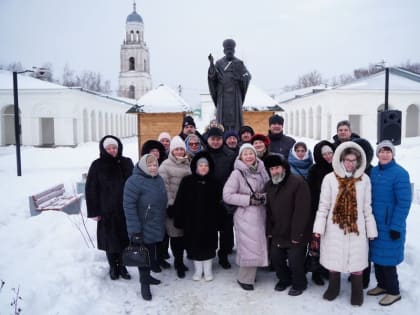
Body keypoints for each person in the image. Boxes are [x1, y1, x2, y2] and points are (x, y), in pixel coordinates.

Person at [313, 141, 378, 306]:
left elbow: (367, 207)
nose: (350, 163)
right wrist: (318, 229)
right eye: (347, 160)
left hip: (357, 227)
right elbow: (324, 205)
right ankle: (333, 288)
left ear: (359, 161)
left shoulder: (365, 180)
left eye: (353, 160)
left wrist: (371, 231)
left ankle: (357, 291)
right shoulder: (329, 179)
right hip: (334, 226)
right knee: (333, 256)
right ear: (341, 160)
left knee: (357, 258)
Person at [368, 140, 412, 306]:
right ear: (377, 154)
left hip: (391, 225)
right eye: (381, 151)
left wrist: (396, 226)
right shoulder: (374, 172)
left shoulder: (400, 173)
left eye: (388, 151)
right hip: (376, 223)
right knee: (377, 258)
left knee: (388, 261)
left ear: (393, 154)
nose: (384, 154)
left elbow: (404, 203)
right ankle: (382, 285)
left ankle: (394, 291)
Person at [85, 135, 134, 281]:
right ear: (103, 149)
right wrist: (94, 211)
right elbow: (91, 189)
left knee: (124, 240)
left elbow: (134, 184)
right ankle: (113, 267)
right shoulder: (97, 165)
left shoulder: (126, 162)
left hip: (125, 209)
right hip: (107, 211)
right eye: (109, 148)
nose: (112, 150)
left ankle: (123, 266)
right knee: (110, 241)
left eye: (114, 148)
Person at [223, 144, 270, 291]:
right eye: (245, 154)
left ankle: (252, 272)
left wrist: (264, 197)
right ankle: (245, 278)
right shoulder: (237, 173)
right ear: (240, 157)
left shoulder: (262, 171)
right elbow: (227, 196)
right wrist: (248, 199)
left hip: (262, 214)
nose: (249, 156)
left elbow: (270, 188)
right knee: (249, 245)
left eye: (251, 153)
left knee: (257, 244)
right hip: (245, 216)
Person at [264, 155, 312, 296]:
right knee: (276, 258)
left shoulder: (297, 182)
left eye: (277, 168)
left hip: (296, 232)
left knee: (295, 261)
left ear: (284, 168)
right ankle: (284, 279)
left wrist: (298, 234)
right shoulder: (269, 185)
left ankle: (299, 283)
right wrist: (269, 230)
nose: (275, 171)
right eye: (272, 169)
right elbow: (268, 210)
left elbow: (302, 210)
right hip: (278, 231)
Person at [173, 152, 224, 281]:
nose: (203, 167)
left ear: (210, 167)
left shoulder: (215, 182)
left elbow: (220, 203)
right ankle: (198, 270)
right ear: (195, 167)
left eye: (205, 165)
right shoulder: (187, 181)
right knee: (194, 246)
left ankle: (207, 270)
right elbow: (180, 201)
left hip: (210, 222)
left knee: (208, 246)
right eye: (200, 165)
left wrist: (221, 220)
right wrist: (179, 218)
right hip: (192, 221)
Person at [123, 154, 167, 301]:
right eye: (150, 165)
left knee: (151, 253)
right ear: (143, 166)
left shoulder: (158, 179)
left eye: (155, 165)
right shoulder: (134, 182)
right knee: (143, 256)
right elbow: (129, 207)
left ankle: (148, 277)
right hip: (141, 226)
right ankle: (144, 284)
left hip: (155, 224)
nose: (153, 168)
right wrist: (135, 230)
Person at [158, 136, 191, 278]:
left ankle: (181, 261)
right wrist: (169, 204)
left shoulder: (187, 163)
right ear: (172, 151)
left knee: (183, 236)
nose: (179, 152)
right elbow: (163, 187)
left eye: (181, 149)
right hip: (173, 207)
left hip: (186, 207)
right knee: (176, 237)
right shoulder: (165, 165)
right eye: (176, 149)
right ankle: (178, 263)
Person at [205, 127, 236, 269]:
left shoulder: (230, 154)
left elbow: (234, 175)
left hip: (226, 197)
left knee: (226, 230)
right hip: (208, 197)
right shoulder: (202, 155)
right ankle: (209, 254)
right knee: (209, 229)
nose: (216, 142)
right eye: (213, 139)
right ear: (208, 140)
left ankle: (224, 255)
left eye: (218, 139)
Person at [306, 140, 335, 285]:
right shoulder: (314, 170)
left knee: (330, 243)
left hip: (334, 212)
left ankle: (328, 269)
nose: (328, 156)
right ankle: (316, 272)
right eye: (324, 154)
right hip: (318, 211)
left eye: (330, 153)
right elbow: (310, 192)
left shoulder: (338, 168)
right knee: (316, 244)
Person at [208, 39, 251, 131]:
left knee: (235, 118)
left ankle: (236, 135)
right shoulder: (219, 63)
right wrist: (211, 65)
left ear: (234, 51)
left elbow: (247, 76)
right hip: (222, 95)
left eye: (231, 50)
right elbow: (212, 77)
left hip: (235, 95)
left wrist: (241, 78)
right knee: (222, 118)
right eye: (227, 50)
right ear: (224, 51)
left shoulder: (239, 63)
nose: (229, 52)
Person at [140, 139, 170, 270]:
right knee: (151, 236)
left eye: (158, 151)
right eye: (153, 151)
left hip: (163, 205)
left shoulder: (165, 164)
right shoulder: (144, 167)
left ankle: (162, 257)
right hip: (149, 208)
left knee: (164, 234)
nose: (156, 153)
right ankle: (153, 261)